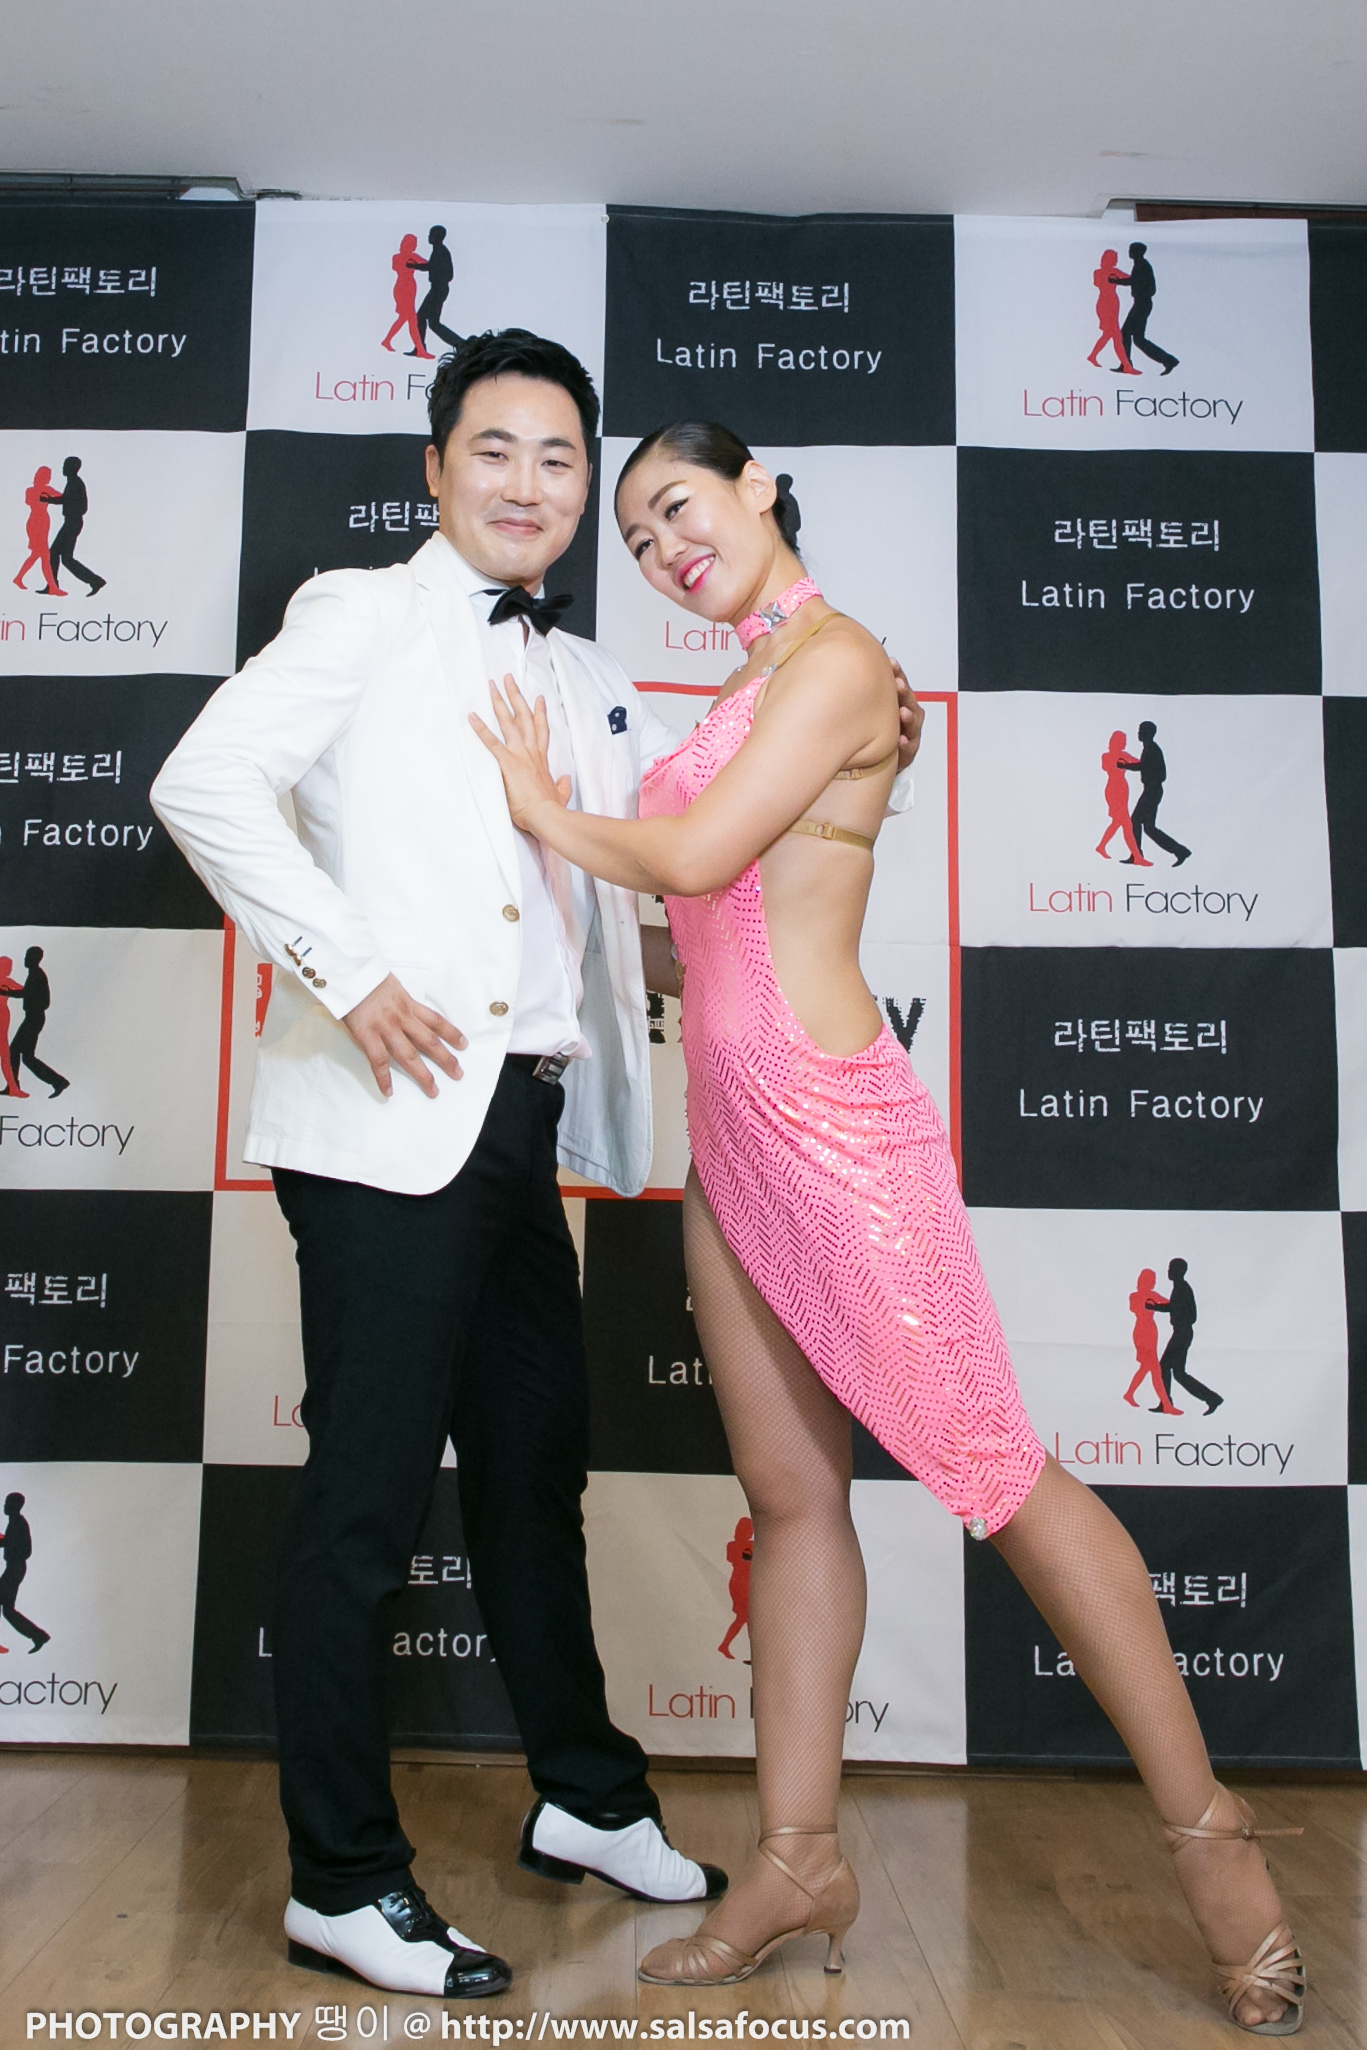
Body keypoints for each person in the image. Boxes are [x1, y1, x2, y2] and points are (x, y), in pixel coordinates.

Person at [474, 419, 1305, 2033]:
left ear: (755, 487)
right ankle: (796, 1861)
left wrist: (532, 805)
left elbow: (691, 854)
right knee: (790, 1501)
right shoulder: (745, 686)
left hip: (837, 1130)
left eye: (677, 506)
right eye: (635, 540)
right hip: (733, 1140)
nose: (663, 549)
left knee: (997, 1475)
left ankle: (1216, 1843)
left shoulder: (840, 661)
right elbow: (700, 937)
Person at [151, 331, 738, 2001]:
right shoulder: (360, 612)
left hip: (524, 1126)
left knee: (534, 1470)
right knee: (363, 1499)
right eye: (494, 449)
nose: (527, 483)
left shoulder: (585, 673)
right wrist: (347, 973)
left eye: (559, 458)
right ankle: (341, 1881)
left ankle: (583, 1795)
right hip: (384, 1123)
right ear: (433, 467)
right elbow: (203, 782)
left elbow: (605, 888)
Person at [1153, 1258, 1223, 1416]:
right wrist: (1156, 1307)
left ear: (1179, 1271)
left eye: (1171, 1269)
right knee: (1178, 1373)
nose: (1168, 1272)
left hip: (1182, 1333)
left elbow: (1189, 1313)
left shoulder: (1182, 1288)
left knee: (1165, 1367)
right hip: (1181, 1332)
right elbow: (1174, 1307)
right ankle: (1211, 1398)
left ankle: (1167, 1402)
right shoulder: (1179, 1288)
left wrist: (1175, 1317)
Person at [1127, 718, 1191, 866]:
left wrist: (1127, 766)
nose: (1138, 733)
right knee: (1149, 828)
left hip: (1152, 790)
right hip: (1151, 790)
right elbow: (1144, 766)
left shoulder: (1152, 749)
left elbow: (1150, 768)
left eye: (1141, 731)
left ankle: (1137, 854)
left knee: (1136, 821)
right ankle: (1179, 850)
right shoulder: (1148, 748)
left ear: (1147, 733)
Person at [9, 945, 69, 1100]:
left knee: (16, 1051)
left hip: (34, 1018)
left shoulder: (37, 975)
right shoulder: (34, 974)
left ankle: (14, 1085)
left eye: (27, 957)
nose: (25, 959)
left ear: (34, 959)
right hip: (33, 1017)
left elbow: (25, 993)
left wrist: (5, 992)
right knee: (25, 1056)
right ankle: (57, 1081)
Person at [44, 457, 105, 597]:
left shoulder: (75, 483)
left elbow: (80, 505)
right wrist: (49, 500)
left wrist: (52, 501)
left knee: (56, 553)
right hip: (72, 521)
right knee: (64, 557)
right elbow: (66, 499)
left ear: (72, 468)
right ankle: (94, 581)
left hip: (72, 522)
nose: (63, 468)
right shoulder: (73, 482)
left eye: (65, 465)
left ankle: (53, 585)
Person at [1123, 1267, 1181, 1414]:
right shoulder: (1134, 1296)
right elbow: (1135, 1309)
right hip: (1141, 1332)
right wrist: (1149, 1302)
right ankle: (1166, 1404)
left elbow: (1170, 1304)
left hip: (1151, 1332)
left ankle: (1129, 1394)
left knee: (1146, 1367)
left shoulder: (1153, 1295)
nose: (1153, 1283)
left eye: (1153, 1281)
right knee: (1155, 1369)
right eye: (1150, 1280)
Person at [0, 1493, 50, 1654]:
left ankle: (39, 1636)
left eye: (7, 1503)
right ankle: (39, 1636)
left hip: (15, 1568)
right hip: (14, 1568)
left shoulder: (18, 1523)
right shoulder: (15, 1522)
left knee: (8, 1610)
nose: (4, 1506)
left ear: (15, 1506)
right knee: (8, 1611)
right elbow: (10, 1542)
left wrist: (6, 1543)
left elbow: (22, 1547)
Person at [1122, 242, 1180, 375]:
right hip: (1142, 303)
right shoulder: (1140, 265)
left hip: (1142, 304)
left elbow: (1136, 282)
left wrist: (1116, 281)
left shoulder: (1142, 266)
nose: (1129, 252)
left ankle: (1126, 364)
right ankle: (1168, 360)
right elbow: (1135, 281)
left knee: (1126, 332)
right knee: (1138, 339)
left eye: (1131, 250)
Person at [1096, 729, 1150, 865]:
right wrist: (1120, 763)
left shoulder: (1124, 754)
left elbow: (1140, 764)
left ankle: (1101, 846)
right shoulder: (1106, 756)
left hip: (1122, 788)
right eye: (1122, 741)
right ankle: (1137, 856)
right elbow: (1107, 768)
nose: (1124, 743)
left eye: (1125, 741)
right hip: (1113, 789)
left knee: (1118, 822)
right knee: (1126, 823)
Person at [13, 465, 65, 596]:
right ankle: (53, 587)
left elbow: (63, 497)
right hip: (35, 522)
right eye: (46, 476)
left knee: (37, 554)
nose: (48, 479)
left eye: (49, 476)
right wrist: (45, 497)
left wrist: (50, 498)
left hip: (44, 522)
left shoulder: (47, 489)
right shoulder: (30, 490)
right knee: (44, 556)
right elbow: (31, 502)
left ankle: (19, 578)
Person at [380, 233, 434, 359]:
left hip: (410, 287)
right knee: (411, 319)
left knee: (405, 318)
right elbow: (397, 268)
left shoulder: (414, 256)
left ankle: (387, 340)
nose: (414, 246)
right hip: (402, 287)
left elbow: (427, 264)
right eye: (412, 244)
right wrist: (412, 263)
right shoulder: (397, 257)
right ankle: (420, 350)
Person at [1086, 249, 1138, 374]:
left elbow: (1131, 279)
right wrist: (1111, 277)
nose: (1115, 261)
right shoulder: (1098, 272)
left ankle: (1093, 356)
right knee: (1116, 335)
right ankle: (1126, 366)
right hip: (1104, 303)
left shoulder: (1115, 271)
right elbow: (1098, 283)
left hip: (1113, 303)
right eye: (1113, 259)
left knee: (1109, 334)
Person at [414, 226, 463, 353]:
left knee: (428, 320)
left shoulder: (441, 251)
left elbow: (434, 267)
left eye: (431, 234)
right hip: (437, 288)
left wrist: (414, 266)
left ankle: (460, 344)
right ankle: (421, 347)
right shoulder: (438, 250)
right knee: (429, 321)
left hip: (438, 289)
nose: (429, 237)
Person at [718, 1515, 753, 1661]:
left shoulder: (741, 1545)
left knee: (744, 1618)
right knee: (746, 1618)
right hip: (741, 1584)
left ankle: (725, 1645)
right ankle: (754, 1654)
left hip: (745, 1583)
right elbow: (741, 1561)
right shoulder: (737, 1545)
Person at [0, 956, 30, 1099]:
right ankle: (12, 1087)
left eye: (10, 967)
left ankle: (12, 1087)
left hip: (2, 1017)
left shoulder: (8, 981)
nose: (8, 970)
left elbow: (25, 991)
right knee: (4, 1053)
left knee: (5, 1053)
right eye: (6, 967)